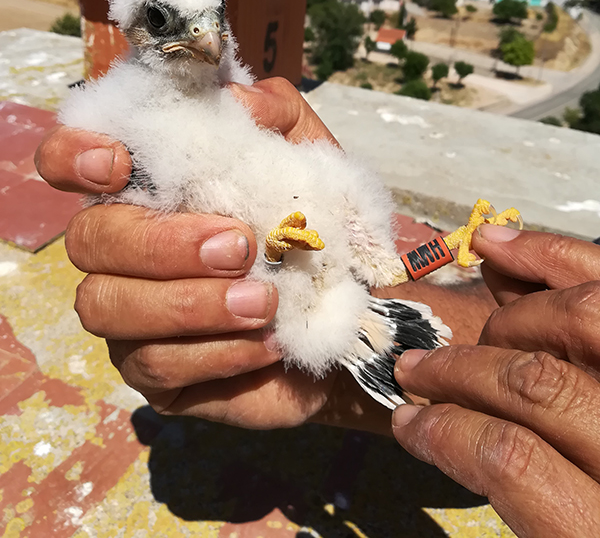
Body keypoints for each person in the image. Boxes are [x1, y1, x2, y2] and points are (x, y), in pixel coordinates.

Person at [36, 77, 600, 537]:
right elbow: (378, 281)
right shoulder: (194, 128)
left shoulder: (227, 131)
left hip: (325, 279)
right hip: (318, 299)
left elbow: (381, 270)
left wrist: (457, 246)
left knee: (370, 264)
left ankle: (428, 252)